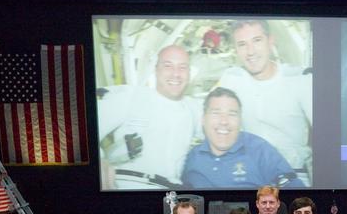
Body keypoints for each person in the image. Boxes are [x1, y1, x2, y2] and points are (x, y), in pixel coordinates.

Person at [216, 19, 313, 174]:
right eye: (242, 44)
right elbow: (213, 118)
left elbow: (329, 134)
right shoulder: (231, 79)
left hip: (293, 172)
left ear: (270, 41)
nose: (250, 51)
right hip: (249, 173)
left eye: (257, 41)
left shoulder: (299, 80)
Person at [97, 43, 199, 187]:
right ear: (156, 70)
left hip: (171, 192)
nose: (176, 73)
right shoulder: (130, 97)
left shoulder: (194, 109)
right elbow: (80, 126)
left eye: (183, 67)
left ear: (189, 73)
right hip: (126, 184)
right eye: (168, 65)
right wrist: (98, 161)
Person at [179, 87, 304, 189]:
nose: (224, 121)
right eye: (216, 113)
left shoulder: (260, 150)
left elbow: (297, 195)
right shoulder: (192, 157)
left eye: (232, 114)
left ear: (240, 121)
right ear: (203, 120)